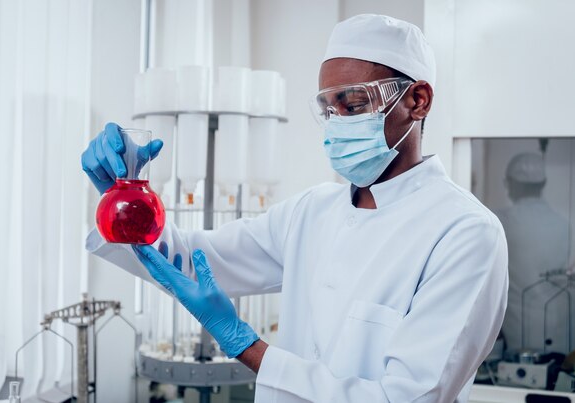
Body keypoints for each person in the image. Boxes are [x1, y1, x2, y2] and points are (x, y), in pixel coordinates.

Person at [81, 14, 508, 402]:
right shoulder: (312, 211)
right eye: (329, 107)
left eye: (355, 104)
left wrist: (246, 346)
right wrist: (125, 204)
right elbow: (192, 263)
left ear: (418, 100)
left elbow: (408, 398)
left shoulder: (466, 233)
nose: (338, 122)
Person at [497, 152, 571, 354]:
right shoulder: (564, 225)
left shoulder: (500, 222)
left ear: (509, 184)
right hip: (560, 333)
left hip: (518, 336)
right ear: (544, 183)